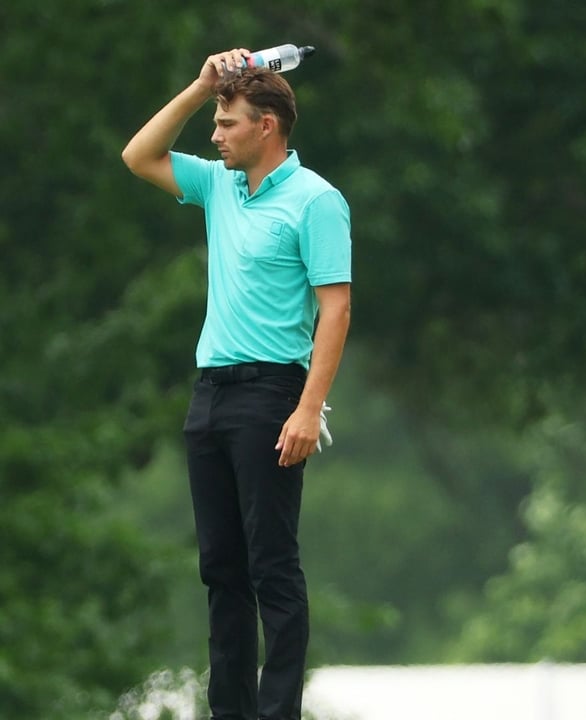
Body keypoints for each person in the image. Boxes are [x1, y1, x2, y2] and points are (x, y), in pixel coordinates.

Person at [122, 48, 352, 720]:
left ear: (268, 126)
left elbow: (335, 308)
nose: (215, 135)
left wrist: (309, 409)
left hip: (272, 396)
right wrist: (199, 88)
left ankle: (276, 713)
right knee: (221, 571)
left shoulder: (316, 200)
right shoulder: (220, 185)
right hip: (211, 396)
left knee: (271, 568)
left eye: (226, 122)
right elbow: (139, 155)